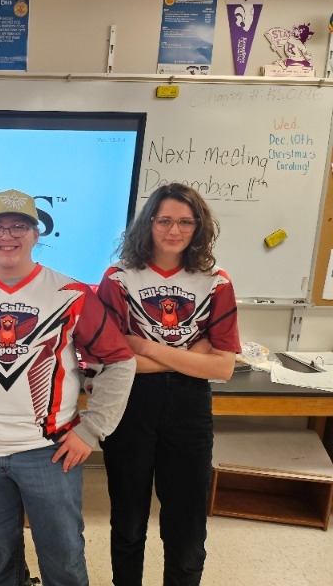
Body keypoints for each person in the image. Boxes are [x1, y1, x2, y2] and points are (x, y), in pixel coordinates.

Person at [0, 188, 136, 586]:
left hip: (49, 453)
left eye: (19, 227)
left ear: (37, 234)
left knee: (63, 557)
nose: (7, 236)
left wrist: (91, 429)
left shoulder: (71, 294)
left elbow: (120, 361)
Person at [96, 182, 240, 586]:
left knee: (187, 525)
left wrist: (142, 345)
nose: (174, 230)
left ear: (199, 227)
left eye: (185, 222)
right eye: (164, 221)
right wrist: (193, 356)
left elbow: (223, 367)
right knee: (128, 520)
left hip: (189, 409)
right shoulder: (119, 279)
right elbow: (110, 360)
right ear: (149, 224)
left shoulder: (216, 282)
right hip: (130, 405)